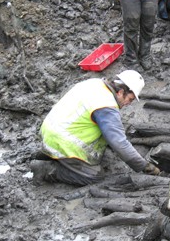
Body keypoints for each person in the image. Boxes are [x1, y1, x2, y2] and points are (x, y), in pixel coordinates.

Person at [31, 70, 161, 186]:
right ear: (121, 92)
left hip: (50, 129)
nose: (128, 104)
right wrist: (145, 166)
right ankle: (46, 170)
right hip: (62, 141)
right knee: (94, 176)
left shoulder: (95, 83)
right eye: (130, 99)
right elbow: (119, 143)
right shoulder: (106, 106)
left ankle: (48, 154)